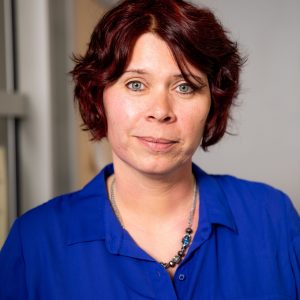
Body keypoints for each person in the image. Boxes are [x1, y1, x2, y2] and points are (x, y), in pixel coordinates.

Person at [0, 0, 299, 299]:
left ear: (213, 103)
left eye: (184, 86)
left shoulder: (273, 218)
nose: (160, 111)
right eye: (135, 84)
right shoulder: (34, 242)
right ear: (98, 95)